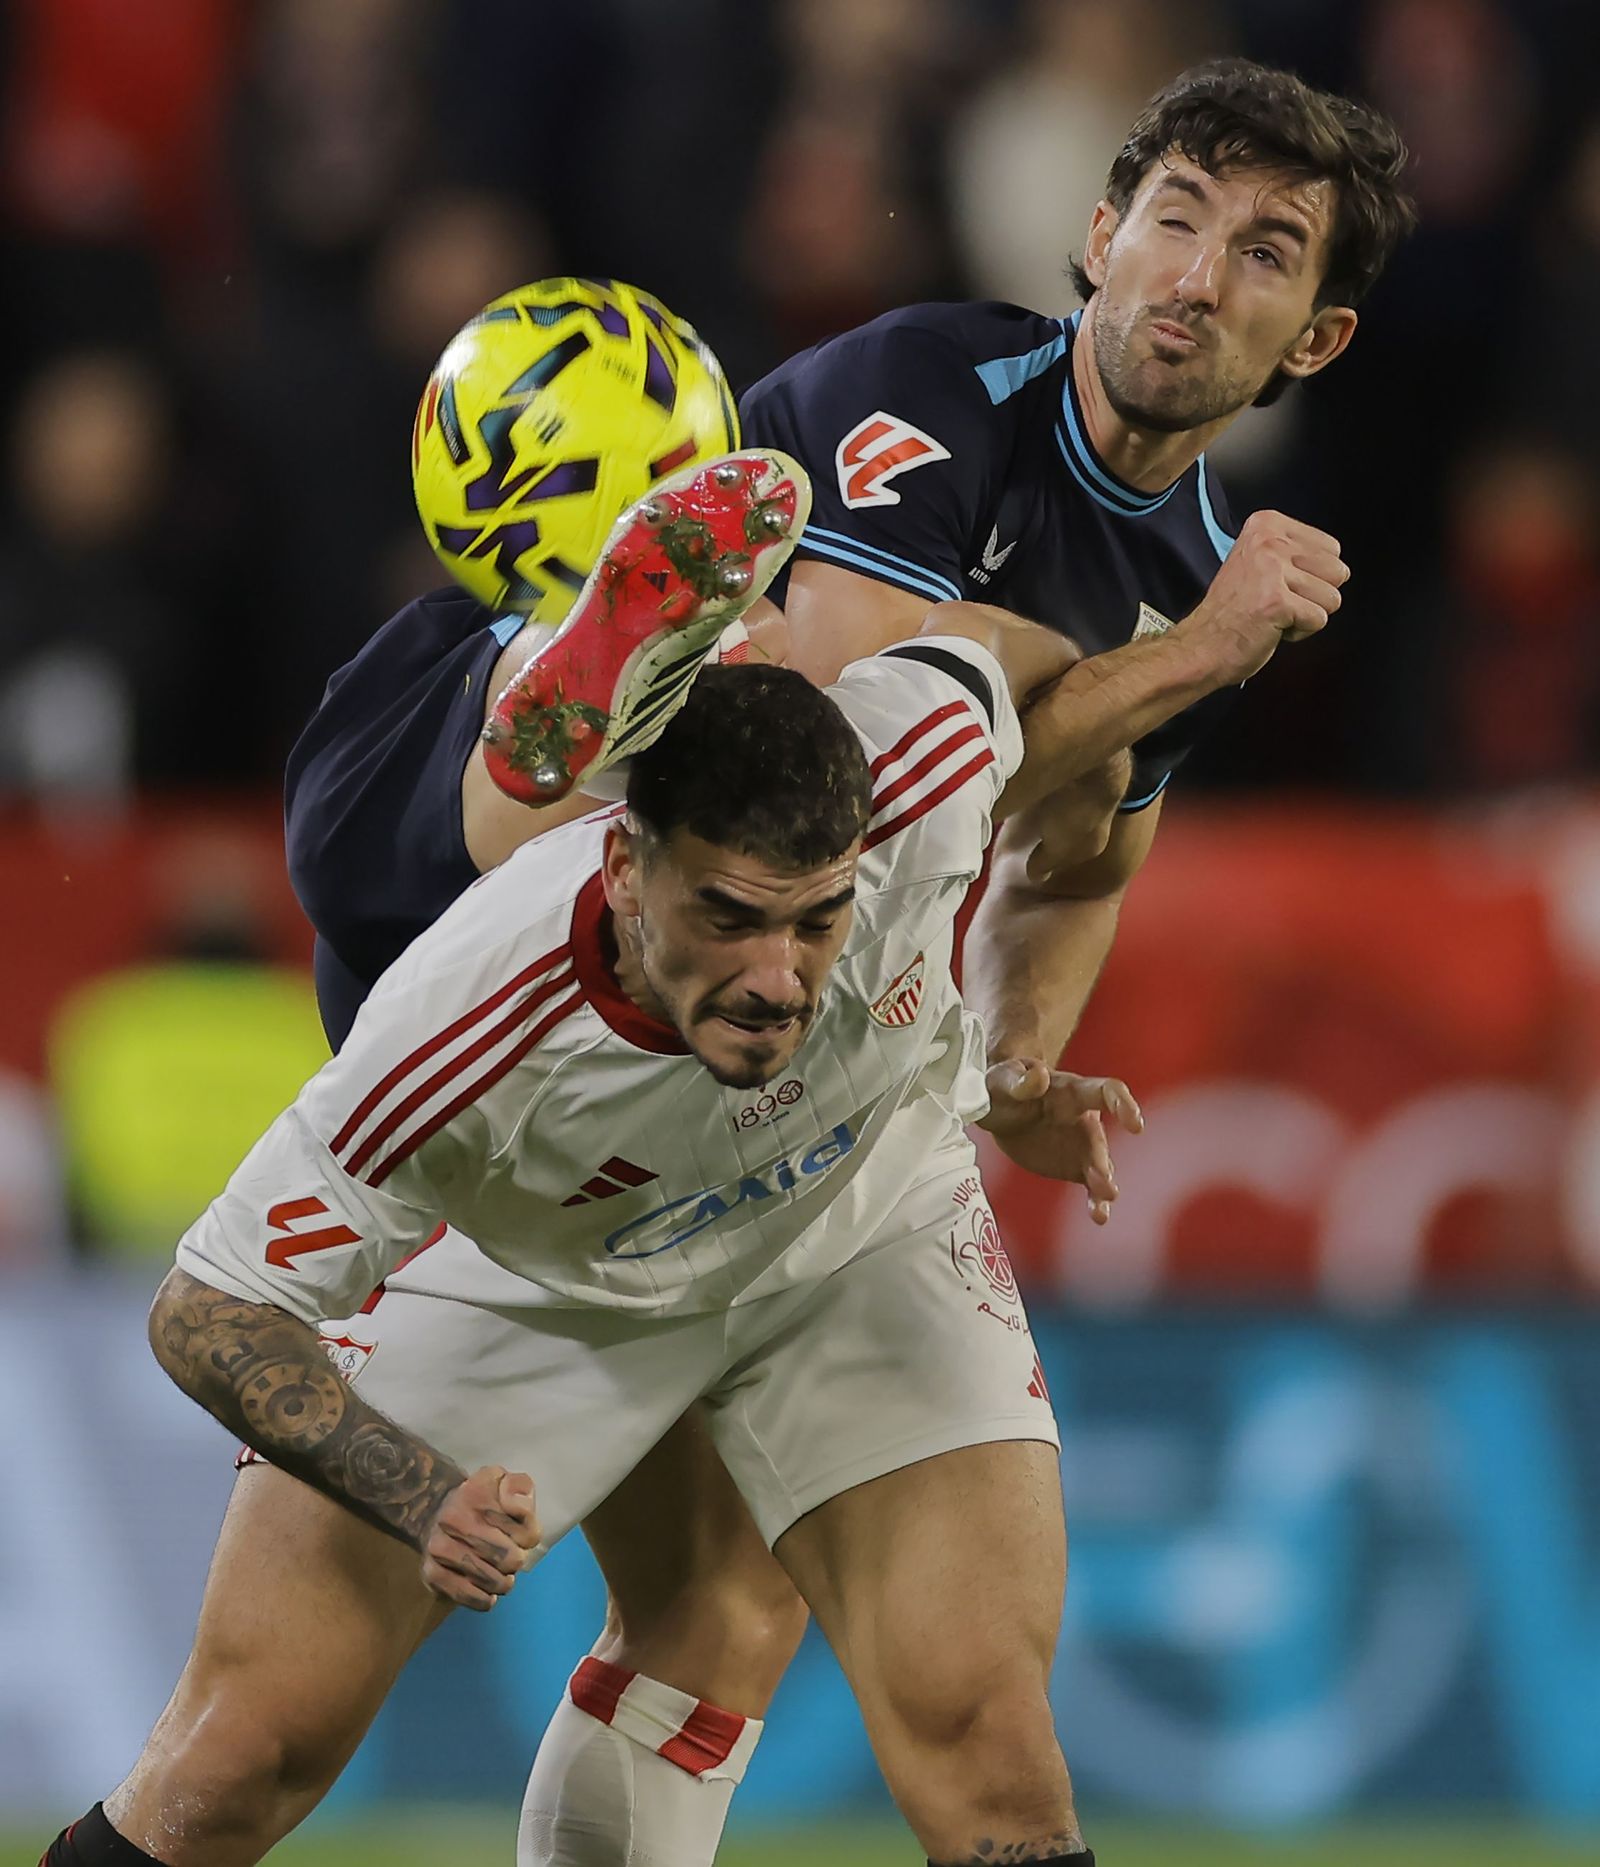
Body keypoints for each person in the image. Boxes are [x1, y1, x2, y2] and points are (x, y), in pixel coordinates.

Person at [41, 53, 1414, 1867]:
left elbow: (1088, 852)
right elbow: (790, 784)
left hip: (840, 1162)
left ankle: (579, 678)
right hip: (539, 1129)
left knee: (945, 1735)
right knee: (243, 1759)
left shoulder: (1181, 568)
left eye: (1261, 253)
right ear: (1097, 235)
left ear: (1312, 337)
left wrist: (1014, 1062)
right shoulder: (918, 399)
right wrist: (1197, 658)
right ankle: (562, 680)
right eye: (1174, 219)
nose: (1195, 275)